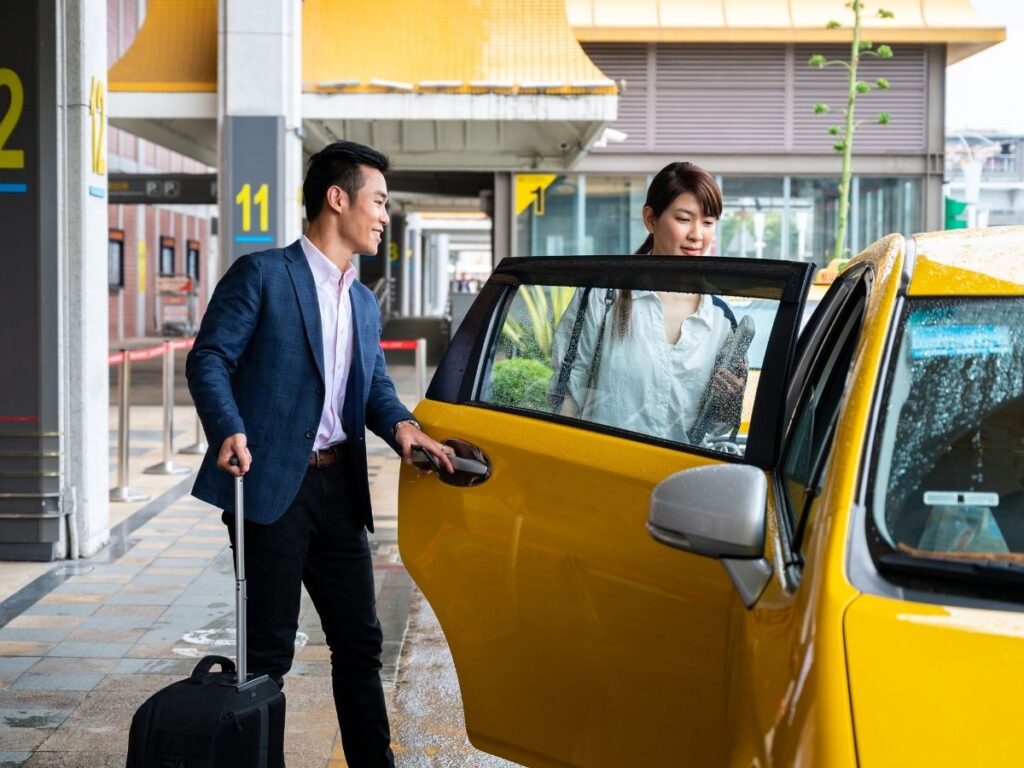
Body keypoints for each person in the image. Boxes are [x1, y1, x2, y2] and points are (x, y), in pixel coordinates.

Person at [186, 140, 453, 768]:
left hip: (339, 489)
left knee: (360, 643)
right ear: (338, 198)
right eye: (379, 200)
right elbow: (210, 357)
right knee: (268, 656)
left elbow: (374, 389)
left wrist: (403, 428)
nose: (385, 215)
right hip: (271, 484)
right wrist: (226, 426)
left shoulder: (361, 299)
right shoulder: (264, 274)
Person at [549, 161, 747, 446]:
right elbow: (564, 396)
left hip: (682, 482)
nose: (697, 235)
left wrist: (727, 400)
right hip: (604, 473)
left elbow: (713, 432)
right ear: (650, 219)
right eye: (683, 219)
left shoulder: (721, 319)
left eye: (708, 222)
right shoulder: (602, 297)